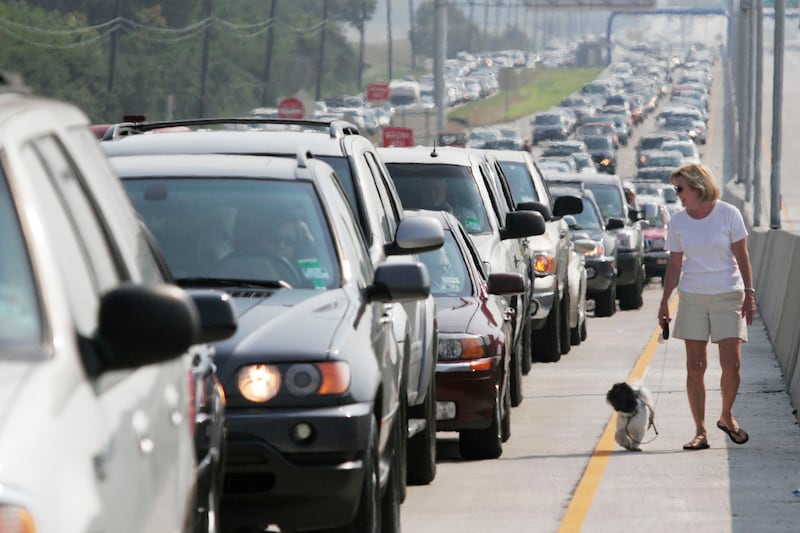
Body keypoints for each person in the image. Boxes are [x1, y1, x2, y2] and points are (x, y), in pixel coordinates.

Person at [657, 163, 755, 451]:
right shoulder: (678, 221)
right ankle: (700, 431)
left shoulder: (729, 214)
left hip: (728, 294)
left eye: (680, 188)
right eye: (675, 188)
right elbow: (674, 266)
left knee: (732, 365)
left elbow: (743, 257)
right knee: (695, 365)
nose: (677, 194)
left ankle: (726, 415)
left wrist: (749, 294)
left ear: (697, 186)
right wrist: (665, 301)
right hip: (693, 296)